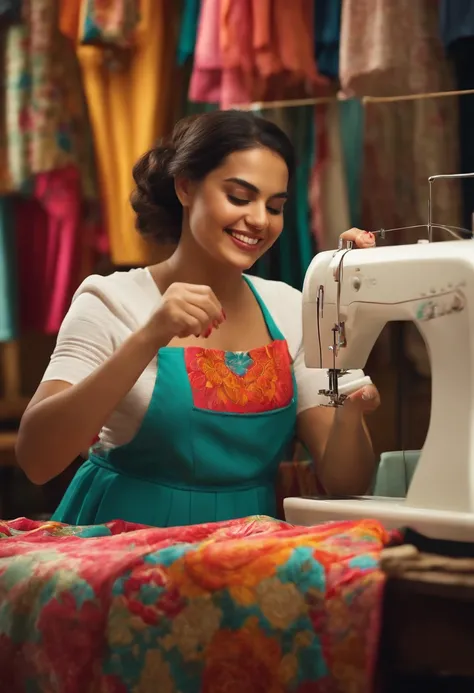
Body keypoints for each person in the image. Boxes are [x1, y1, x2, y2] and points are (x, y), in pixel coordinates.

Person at [16, 110, 380, 528]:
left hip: (247, 560)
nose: (260, 220)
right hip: (120, 559)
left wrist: (350, 405)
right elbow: (37, 459)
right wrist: (149, 336)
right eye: (240, 198)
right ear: (186, 187)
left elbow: (346, 481)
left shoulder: (289, 310)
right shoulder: (110, 300)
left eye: (275, 206)